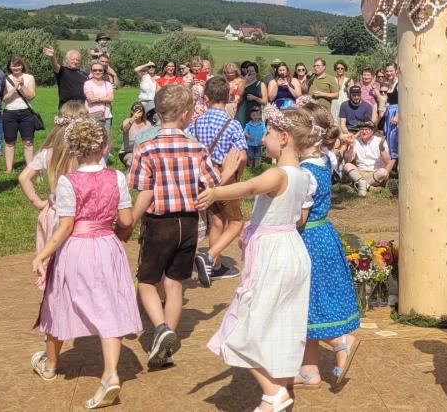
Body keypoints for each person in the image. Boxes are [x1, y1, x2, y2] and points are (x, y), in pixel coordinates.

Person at [198, 106, 313, 412]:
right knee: (283, 319)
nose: (264, 139)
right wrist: (256, 225)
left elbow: (250, 187)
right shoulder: (303, 175)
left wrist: (216, 192)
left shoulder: (276, 173)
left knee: (241, 324)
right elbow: (292, 215)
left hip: (274, 254)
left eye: (269, 134)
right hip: (292, 248)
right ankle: (282, 384)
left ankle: (273, 391)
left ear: (285, 137)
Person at [30, 117, 141, 409]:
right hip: (107, 247)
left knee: (58, 301)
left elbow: (65, 226)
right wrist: (115, 231)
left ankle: (51, 365)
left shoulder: (69, 181)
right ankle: (111, 374)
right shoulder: (116, 177)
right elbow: (127, 220)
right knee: (109, 306)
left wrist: (42, 255)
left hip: (76, 249)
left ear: (73, 150)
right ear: (105, 147)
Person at [128, 84, 221, 368]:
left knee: (146, 281)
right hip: (189, 223)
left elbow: (141, 189)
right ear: (185, 115)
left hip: (159, 223)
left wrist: (130, 220)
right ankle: (165, 349)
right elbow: (213, 183)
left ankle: (160, 329)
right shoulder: (197, 147)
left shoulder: (146, 147)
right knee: (175, 284)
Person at [294, 105, 363, 389]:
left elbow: (300, 217)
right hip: (324, 233)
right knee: (310, 301)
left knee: (310, 298)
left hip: (308, 237)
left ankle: (339, 342)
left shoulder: (304, 172)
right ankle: (309, 369)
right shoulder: (324, 159)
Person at [19, 102, 89, 289]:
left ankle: (53, 300)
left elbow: (24, 177)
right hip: (78, 217)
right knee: (76, 266)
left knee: (52, 264)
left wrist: (38, 202)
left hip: (53, 214)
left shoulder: (47, 153)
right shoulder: (85, 154)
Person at [189, 77, 249, 288]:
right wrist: (237, 176)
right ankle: (210, 256)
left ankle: (214, 266)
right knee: (236, 222)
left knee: (216, 221)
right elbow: (241, 156)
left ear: (205, 98)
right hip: (225, 177)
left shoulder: (195, 124)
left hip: (203, 179)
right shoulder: (232, 125)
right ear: (229, 97)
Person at [2, 56, 37, 173]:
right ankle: (9, 169)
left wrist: (22, 85)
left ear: (22, 66)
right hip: (9, 113)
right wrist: (14, 88)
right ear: (10, 67)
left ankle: (30, 168)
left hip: (26, 113)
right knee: (10, 142)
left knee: (28, 142)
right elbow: (4, 99)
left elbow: (31, 96)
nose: (16, 68)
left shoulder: (29, 78)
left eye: (18, 65)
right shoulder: (5, 79)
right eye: (13, 65)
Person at [342, 121, 395, 196]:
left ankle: (360, 185)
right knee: (347, 165)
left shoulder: (379, 141)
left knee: (383, 172)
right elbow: (347, 160)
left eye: (366, 129)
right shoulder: (355, 142)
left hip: (375, 173)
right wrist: (351, 148)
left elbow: (388, 162)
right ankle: (368, 187)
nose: (364, 132)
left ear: (372, 131)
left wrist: (382, 149)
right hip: (360, 173)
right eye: (362, 129)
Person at [83, 61, 114, 137]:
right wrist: (104, 99)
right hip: (91, 115)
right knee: (91, 139)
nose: (97, 72)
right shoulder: (87, 83)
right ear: (91, 72)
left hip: (106, 116)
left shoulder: (108, 84)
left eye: (100, 70)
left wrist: (97, 99)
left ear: (103, 72)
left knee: (106, 139)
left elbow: (111, 98)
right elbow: (90, 99)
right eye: (95, 70)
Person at [119, 102, 153, 168]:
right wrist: (132, 119)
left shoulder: (148, 124)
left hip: (143, 151)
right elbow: (125, 129)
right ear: (132, 111)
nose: (138, 112)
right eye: (135, 110)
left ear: (143, 112)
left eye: (140, 110)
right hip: (128, 152)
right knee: (133, 161)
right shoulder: (127, 121)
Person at [236, 60, 268, 127]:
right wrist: (245, 80)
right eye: (248, 71)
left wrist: (255, 98)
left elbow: (265, 102)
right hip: (243, 112)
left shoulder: (261, 84)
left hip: (255, 113)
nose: (250, 73)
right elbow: (240, 93)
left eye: (252, 71)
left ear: (256, 72)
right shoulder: (242, 84)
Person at [383, 62, 400, 164]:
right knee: (389, 136)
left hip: (396, 112)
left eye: (391, 71)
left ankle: (396, 162)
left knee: (394, 137)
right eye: (387, 71)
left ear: (396, 71)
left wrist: (398, 116)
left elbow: (403, 101)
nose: (389, 73)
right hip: (389, 112)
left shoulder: (399, 84)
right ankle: (392, 162)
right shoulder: (390, 84)